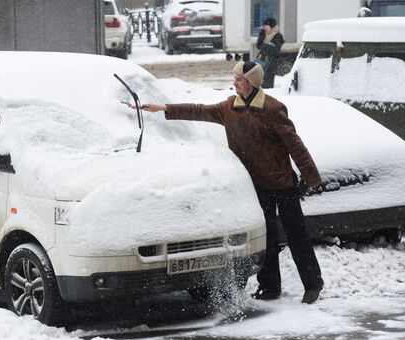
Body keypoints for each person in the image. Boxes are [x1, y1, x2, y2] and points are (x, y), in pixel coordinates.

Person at [139, 61, 324, 304]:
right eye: (234, 78)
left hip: (282, 184)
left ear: (250, 82)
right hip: (255, 185)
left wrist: (312, 178)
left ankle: (313, 284)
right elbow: (199, 110)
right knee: (265, 237)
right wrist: (165, 108)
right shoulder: (229, 107)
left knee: (296, 234)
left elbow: (295, 146)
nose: (233, 82)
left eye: (238, 78)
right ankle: (270, 287)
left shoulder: (272, 109)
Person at [255, 17, 284, 88]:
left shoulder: (277, 35)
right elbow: (259, 46)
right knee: (260, 80)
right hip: (263, 60)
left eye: (266, 26)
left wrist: (264, 46)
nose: (264, 28)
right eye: (264, 26)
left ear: (271, 26)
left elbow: (276, 51)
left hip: (271, 62)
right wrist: (261, 35)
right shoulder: (264, 34)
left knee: (268, 81)